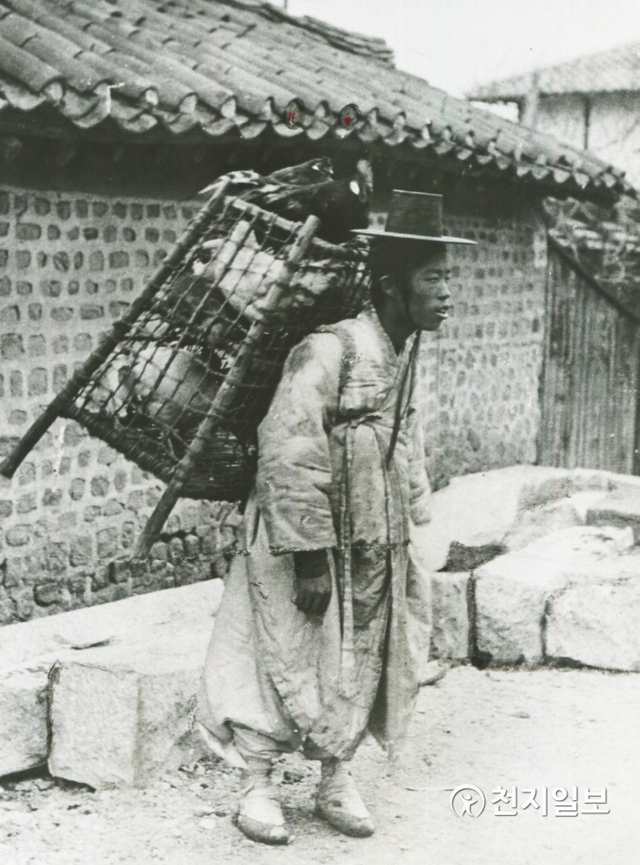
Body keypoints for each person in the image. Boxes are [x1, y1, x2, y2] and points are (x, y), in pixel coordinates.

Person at [197, 190, 475, 845]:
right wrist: (310, 553)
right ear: (389, 284)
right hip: (303, 536)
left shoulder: (400, 353)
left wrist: (411, 520)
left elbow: (399, 439)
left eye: (448, 279)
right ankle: (258, 782)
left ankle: (334, 774)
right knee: (283, 644)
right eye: (433, 279)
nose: (446, 294)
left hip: (371, 536)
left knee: (360, 651)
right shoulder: (330, 347)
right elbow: (287, 441)